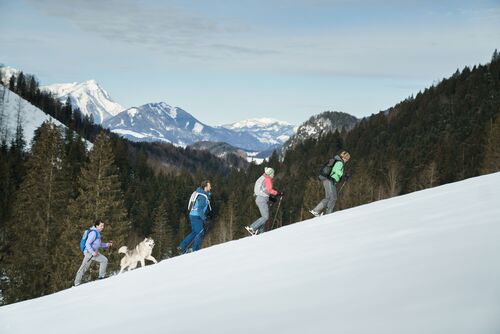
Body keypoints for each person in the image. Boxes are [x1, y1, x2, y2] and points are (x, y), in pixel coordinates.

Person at [310, 150, 350, 217]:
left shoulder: (337, 161)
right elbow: (336, 170)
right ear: (344, 157)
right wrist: (344, 175)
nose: (347, 160)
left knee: (328, 197)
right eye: (347, 158)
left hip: (328, 180)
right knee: (333, 197)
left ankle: (316, 210)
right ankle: (328, 214)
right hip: (329, 180)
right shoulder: (340, 163)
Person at [74, 219, 113, 286]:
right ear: (97, 226)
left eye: (103, 226)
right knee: (104, 260)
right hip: (90, 253)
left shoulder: (97, 233)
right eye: (101, 226)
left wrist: (107, 244)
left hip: (91, 252)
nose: (102, 227)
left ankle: (77, 282)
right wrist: (92, 252)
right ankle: (101, 276)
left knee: (84, 267)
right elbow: (87, 244)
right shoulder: (93, 233)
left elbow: (98, 244)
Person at [245, 167, 283, 235]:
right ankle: (252, 227)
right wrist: (278, 193)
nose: (273, 175)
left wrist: (271, 199)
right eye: (273, 173)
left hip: (259, 199)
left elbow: (263, 191)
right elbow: (269, 190)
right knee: (265, 217)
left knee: (263, 217)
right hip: (262, 199)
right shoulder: (267, 179)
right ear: (270, 173)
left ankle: (260, 232)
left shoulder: (261, 178)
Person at [178, 180, 212, 253]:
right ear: (205, 187)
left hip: (193, 215)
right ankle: (195, 250)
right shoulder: (203, 196)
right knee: (200, 232)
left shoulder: (200, 193)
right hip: (197, 216)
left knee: (195, 232)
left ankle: (182, 247)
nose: (211, 187)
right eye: (209, 186)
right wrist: (205, 219)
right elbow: (199, 209)